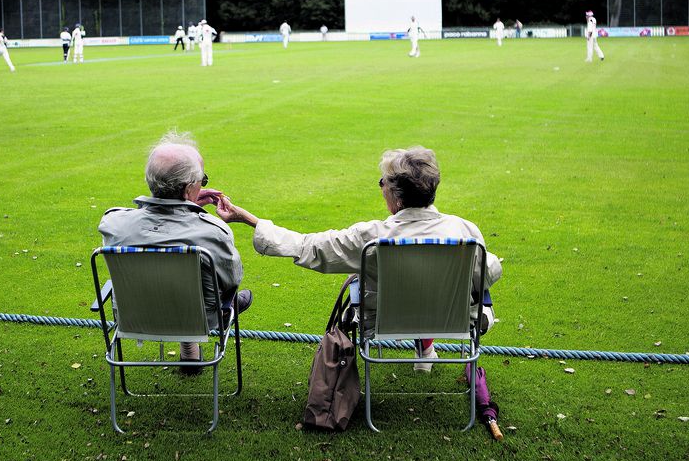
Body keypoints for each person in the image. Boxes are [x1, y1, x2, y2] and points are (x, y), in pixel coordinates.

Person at [215, 146, 504, 433]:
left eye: (382, 183)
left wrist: (248, 220)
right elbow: (489, 273)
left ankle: (424, 348)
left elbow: (309, 246)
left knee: (365, 286)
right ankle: (425, 349)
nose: (381, 189)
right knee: (433, 286)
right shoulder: (465, 232)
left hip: (383, 321)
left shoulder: (373, 238)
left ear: (394, 193)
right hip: (455, 320)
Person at [98, 131, 252, 371]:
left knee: (183, 283)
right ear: (189, 187)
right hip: (198, 319)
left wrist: (185, 203)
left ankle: (190, 354)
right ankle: (192, 346)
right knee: (205, 288)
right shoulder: (212, 233)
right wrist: (190, 208)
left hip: (135, 317)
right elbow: (232, 280)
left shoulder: (113, 225)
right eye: (203, 180)